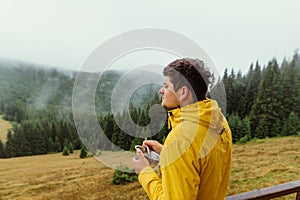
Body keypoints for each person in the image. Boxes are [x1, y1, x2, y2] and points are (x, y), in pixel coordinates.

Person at [132, 58, 232, 200]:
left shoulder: (180, 140)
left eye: (166, 86)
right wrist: (166, 153)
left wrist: (144, 172)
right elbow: (202, 164)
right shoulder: (218, 121)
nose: (161, 91)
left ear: (183, 92)